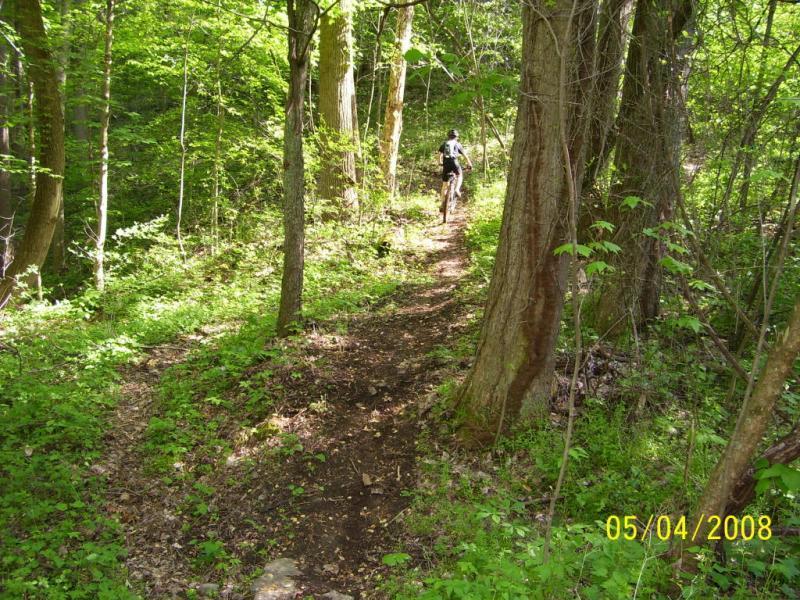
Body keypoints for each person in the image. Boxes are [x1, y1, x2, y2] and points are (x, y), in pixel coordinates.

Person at [438, 129, 473, 211]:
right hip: (454, 162)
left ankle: (442, 204)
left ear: (448, 136)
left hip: (446, 163)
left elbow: (439, 154)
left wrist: (440, 162)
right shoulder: (457, 144)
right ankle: (457, 189)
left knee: (444, 184)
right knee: (460, 175)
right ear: (456, 137)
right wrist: (469, 164)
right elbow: (465, 155)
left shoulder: (444, 144)